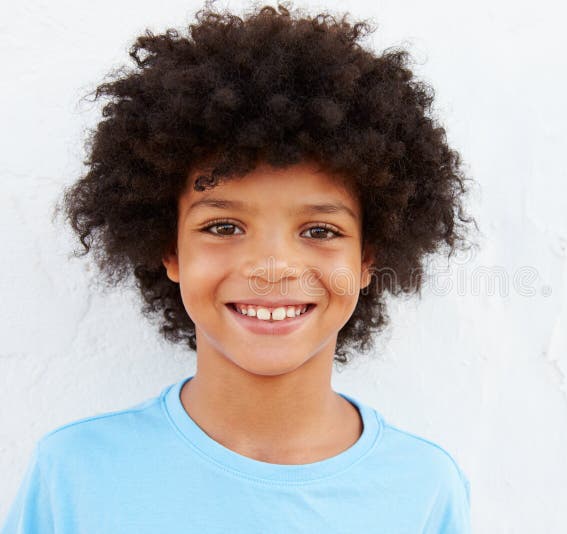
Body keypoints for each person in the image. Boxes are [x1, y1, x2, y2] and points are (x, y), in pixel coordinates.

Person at [1, 2, 479, 532]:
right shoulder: (74, 473)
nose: (272, 267)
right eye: (223, 227)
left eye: (320, 231)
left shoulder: (422, 488)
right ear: (169, 248)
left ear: (368, 258)